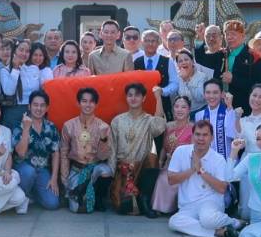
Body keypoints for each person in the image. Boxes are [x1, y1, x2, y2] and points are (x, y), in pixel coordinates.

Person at [166, 119, 235, 237]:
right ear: (192, 136)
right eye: (197, 134)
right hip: (188, 205)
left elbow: (222, 189)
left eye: (205, 135)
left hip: (210, 202)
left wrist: (201, 171)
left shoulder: (218, 159)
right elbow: (171, 180)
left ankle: (233, 222)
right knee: (174, 222)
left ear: (211, 138)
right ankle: (219, 232)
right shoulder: (181, 151)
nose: (201, 138)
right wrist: (193, 169)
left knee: (207, 220)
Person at [109, 81, 168, 216]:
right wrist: (112, 173)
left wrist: (158, 97)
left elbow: (160, 126)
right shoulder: (117, 120)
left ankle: (145, 198)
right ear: (126, 98)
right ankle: (134, 198)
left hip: (142, 169)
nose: (133, 98)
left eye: (137, 95)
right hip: (123, 170)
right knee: (123, 206)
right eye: (130, 95)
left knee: (153, 157)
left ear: (144, 98)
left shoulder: (148, 120)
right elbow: (112, 148)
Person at [60, 87, 113, 213]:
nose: (88, 105)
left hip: (94, 169)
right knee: (76, 209)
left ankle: (99, 198)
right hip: (76, 170)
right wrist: (64, 178)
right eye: (84, 101)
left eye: (91, 101)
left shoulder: (103, 126)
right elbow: (64, 153)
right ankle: (83, 194)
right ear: (78, 103)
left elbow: (103, 157)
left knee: (106, 171)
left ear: (96, 104)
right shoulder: (68, 125)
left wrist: (103, 138)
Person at [13, 90, 61, 210]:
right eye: (35, 105)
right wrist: (26, 129)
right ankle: (22, 196)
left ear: (47, 108)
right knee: (29, 172)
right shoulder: (20, 125)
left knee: (53, 203)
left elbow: (56, 153)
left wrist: (54, 178)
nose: (38, 108)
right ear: (29, 106)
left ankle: (33, 194)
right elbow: (21, 153)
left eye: (42, 105)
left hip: (42, 170)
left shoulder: (51, 127)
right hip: (24, 170)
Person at [150, 95, 196, 216]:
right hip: (168, 164)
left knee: (171, 181)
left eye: (183, 107)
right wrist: (160, 162)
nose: (179, 109)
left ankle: (173, 207)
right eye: (176, 106)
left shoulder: (193, 128)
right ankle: (160, 207)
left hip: (185, 166)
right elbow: (164, 148)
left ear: (189, 110)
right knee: (161, 178)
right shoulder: (168, 126)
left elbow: (194, 152)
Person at [0, 37, 41, 132]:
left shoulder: (34, 69)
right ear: (14, 51)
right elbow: (9, 91)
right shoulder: (5, 71)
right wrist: (15, 69)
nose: (24, 54)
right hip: (13, 110)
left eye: (27, 51)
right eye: (21, 50)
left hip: (32, 110)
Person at [219, 19, 261, 107]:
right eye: (227, 34)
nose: (229, 37)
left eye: (233, 34)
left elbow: (258, 86)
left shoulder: (254, 57)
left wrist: (234, 80)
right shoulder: (222, 54)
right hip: (223, 106)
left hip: (244, 107)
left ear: (243, 36)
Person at [132, 29, 175, 102]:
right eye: (147, 41)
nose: (150, 44)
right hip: (141, 105)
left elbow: (174, 83)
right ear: (142, 43)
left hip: (162, 102)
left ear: (158, 43)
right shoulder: (136, 62)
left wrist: (163, 91)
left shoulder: (167, 61)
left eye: (153, 41)